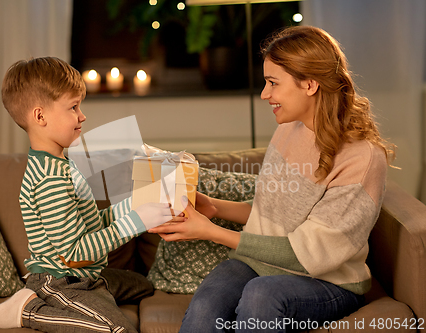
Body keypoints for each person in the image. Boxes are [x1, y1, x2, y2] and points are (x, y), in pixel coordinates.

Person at [149, 26, 396, 332]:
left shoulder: (362, 158)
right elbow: (274, 209)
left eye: (273, 83)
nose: (266, 94)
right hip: (260, 264)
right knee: (207, 304)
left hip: (328, 282)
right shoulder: (289, 129)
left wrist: (210, 231)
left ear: (309, 83)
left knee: (262, 295)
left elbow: (311, 256)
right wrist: (214, 206)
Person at [0, 57, 183, 333]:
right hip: (59, 279)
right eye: (73, 107)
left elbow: (93, 221)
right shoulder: (50, 180)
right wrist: (136, 221)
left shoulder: (63, 165)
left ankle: (95, 294)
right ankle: (29, 310)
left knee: (144, 286)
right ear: (40, 116)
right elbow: (75, 252)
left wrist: (139, 202)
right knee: (119, 330)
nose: (82, 116)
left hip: (85, 274)